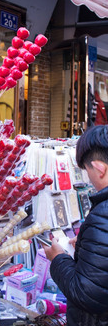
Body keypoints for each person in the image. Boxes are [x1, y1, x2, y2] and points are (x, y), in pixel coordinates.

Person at [42, 125, 108, 326]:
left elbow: (87, 294)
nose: (87, 179)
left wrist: (58, 259)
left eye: (87, 171)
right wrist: (90, 246)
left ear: (99, 168)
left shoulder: (102, 216)